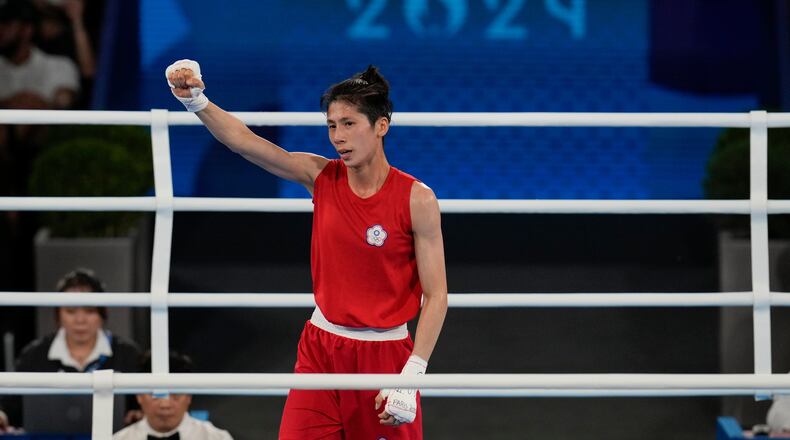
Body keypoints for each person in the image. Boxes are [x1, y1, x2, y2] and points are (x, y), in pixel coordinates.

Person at [166, 60, 448, 439]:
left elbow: (436, 295)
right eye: (332, 125)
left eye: (349, 124)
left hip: (385, 355)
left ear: (381, 126)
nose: (338, 137)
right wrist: (196, 101)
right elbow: (245, 143)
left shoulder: (417, 199)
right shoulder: (321, 176)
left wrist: (412, 374)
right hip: (320, 348)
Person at [0, 268, 141, 429]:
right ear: (58, 314)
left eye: (89, 311)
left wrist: (141, 415)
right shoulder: (34, 354)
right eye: (71, 311)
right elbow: (10, 404)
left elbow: (143, 403)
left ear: (104, 313)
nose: (80, 320)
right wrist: (2, 415)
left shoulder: (128, 353)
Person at [113, 351, 233, 440]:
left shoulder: (217, 438)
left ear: (189, 396)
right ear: (139, 395)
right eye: (156, 394)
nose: (165, 404)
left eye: (175, 394)